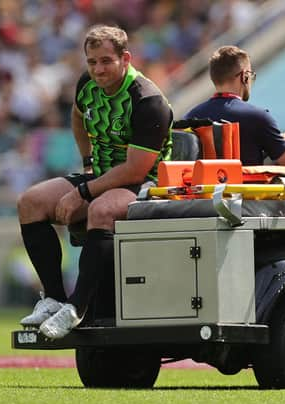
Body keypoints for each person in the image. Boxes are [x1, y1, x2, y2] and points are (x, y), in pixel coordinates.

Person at [17, 25, 173, 339]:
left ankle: (76, 308)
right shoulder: (87, 84)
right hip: (102, 176)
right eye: (92, 62)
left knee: (100, 210)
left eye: (106, 61)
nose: (98, 69)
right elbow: (77, 116)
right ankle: (54, 298)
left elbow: (135, 171)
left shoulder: (147, 99)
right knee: (30, 202)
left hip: (149, 183)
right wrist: (87, 163)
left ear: (125, 58)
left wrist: (82, 192)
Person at [183, 45, 285, 166]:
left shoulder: (190, 117)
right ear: (244, 76)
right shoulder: (259, 118)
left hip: (203, 185)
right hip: (244, 185)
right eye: (251, 76)